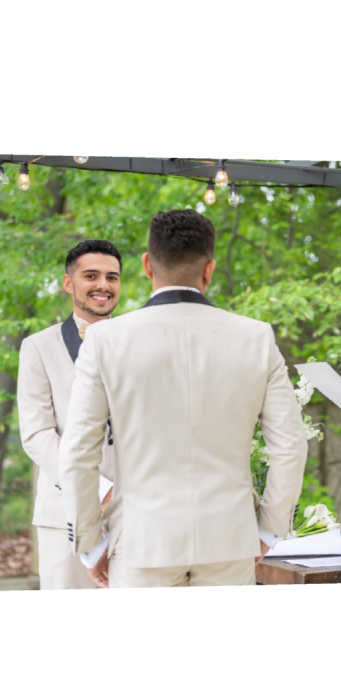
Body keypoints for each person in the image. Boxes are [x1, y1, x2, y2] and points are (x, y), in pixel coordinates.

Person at [58, 209, 308, 588]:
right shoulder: (256, 337)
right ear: (209, 270)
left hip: (142, 542)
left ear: (147, 265)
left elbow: (78, 450)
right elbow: (291, 445)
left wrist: (90, 544)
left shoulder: (105, 340)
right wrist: (270, 529)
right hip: (229, 541)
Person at [16, 239, 122, 589]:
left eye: (112, 277)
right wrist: (95, 489)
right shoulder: (37, 347)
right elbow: (37, 434)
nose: (103, 285)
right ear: (68, 283)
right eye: (91, 276)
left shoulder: (139, 342)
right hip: (65, 517)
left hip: (134, 515)